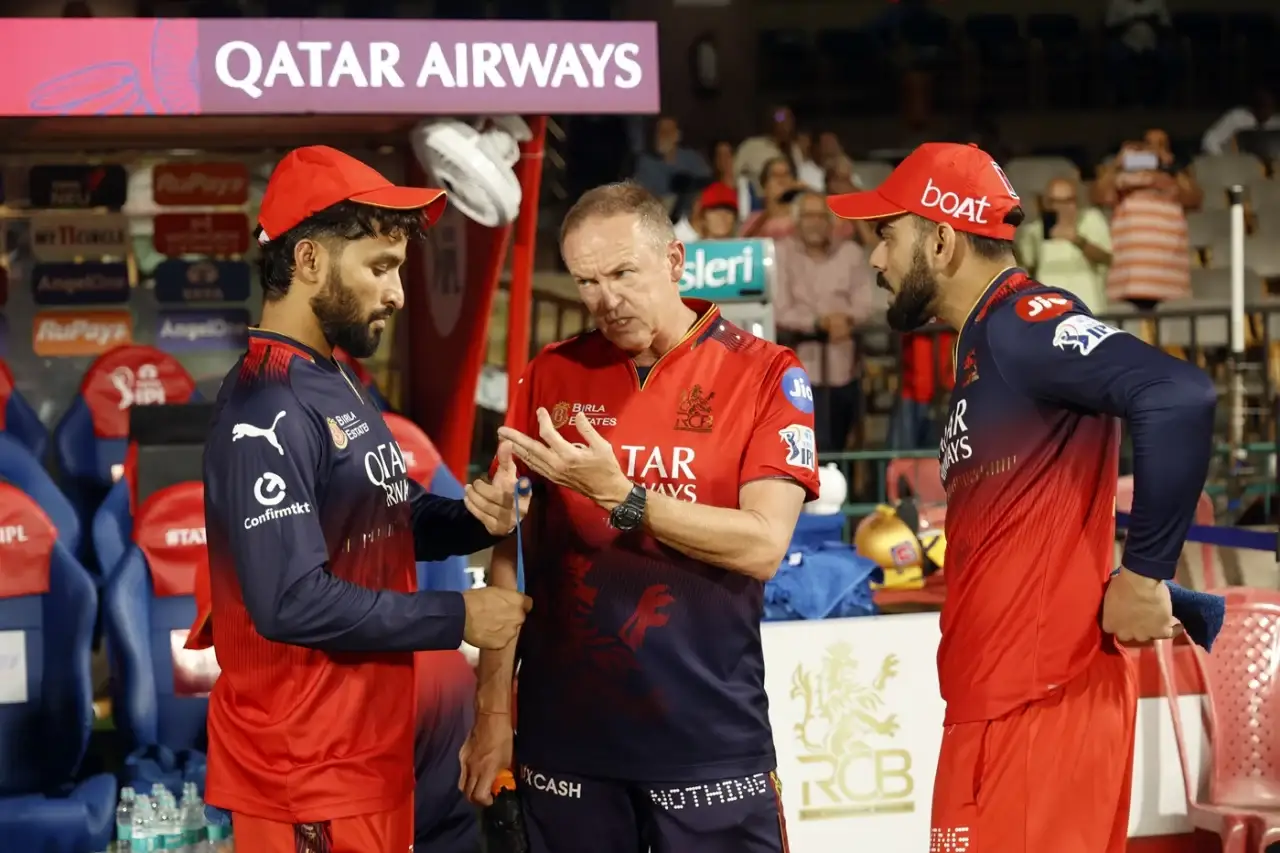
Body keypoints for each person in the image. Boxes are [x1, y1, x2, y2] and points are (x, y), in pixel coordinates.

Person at [827, 142, 1216, 853]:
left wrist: (1144, 573)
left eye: (886, 234)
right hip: (1003, 706)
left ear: (941, 239)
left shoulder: (1021, 323)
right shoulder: (986, 340)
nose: (876, 260)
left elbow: (1180, 393)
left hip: (1035, 710)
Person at [187, 145, 534, 853]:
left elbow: (384, 512)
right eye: (381, 266)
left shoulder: (334, 377)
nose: (399, 292)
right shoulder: (266, 402)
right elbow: (291, 599)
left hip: (363, 755)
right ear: (310, 260)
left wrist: (472, 518)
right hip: (303, 772)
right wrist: (458, 613)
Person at [457, 181, 820, 853]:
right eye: (586, 280)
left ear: (675, 261)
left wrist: (624, 498)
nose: (605, 299)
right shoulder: (551, 372)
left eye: (623, 272)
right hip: (566, 744)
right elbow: (511, 546)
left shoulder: (766, 373)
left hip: (708, 741)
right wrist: (493, 708)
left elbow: (764, 544)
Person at [774, 190, 876, 451]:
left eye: (821, 215)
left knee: (842, 451)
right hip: (798, 372)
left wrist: (846, 319)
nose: (815, 222)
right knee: (805, 452)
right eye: (808, 215)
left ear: (831, 223)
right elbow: (779, 309)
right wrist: (818, 323)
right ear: (796, 222)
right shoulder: (782, 254)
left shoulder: (850, 253)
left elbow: (867, 303)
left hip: (845, 369)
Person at [1093, 129, 1200, 309]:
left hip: (1169, 277)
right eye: (1147, 145)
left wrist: (1169, 165)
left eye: (1159, 145)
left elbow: (1194, 199)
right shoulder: (1123, 179)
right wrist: (1117, 164)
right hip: (1128, 278)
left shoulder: (1176, 178)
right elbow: (1098, 196)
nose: (1152, 151)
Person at [1015, 175, 1112, 313]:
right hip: (1049, 312)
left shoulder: (1092, 219)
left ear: (1076, 202)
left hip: (1089, 309)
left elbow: (1107, 259)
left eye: (1068, 201)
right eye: (1055, 202)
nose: (1062, 208)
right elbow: (1026, 270)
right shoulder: (1035, 230)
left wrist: (1078, 240)